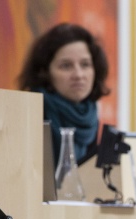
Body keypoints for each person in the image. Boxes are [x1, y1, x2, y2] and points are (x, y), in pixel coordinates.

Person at [18, 22, 110, 165]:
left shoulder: (90, 116)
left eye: (85, 64)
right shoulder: (29, 112)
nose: (79, 75)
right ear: (45, 72)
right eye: (66, 66)